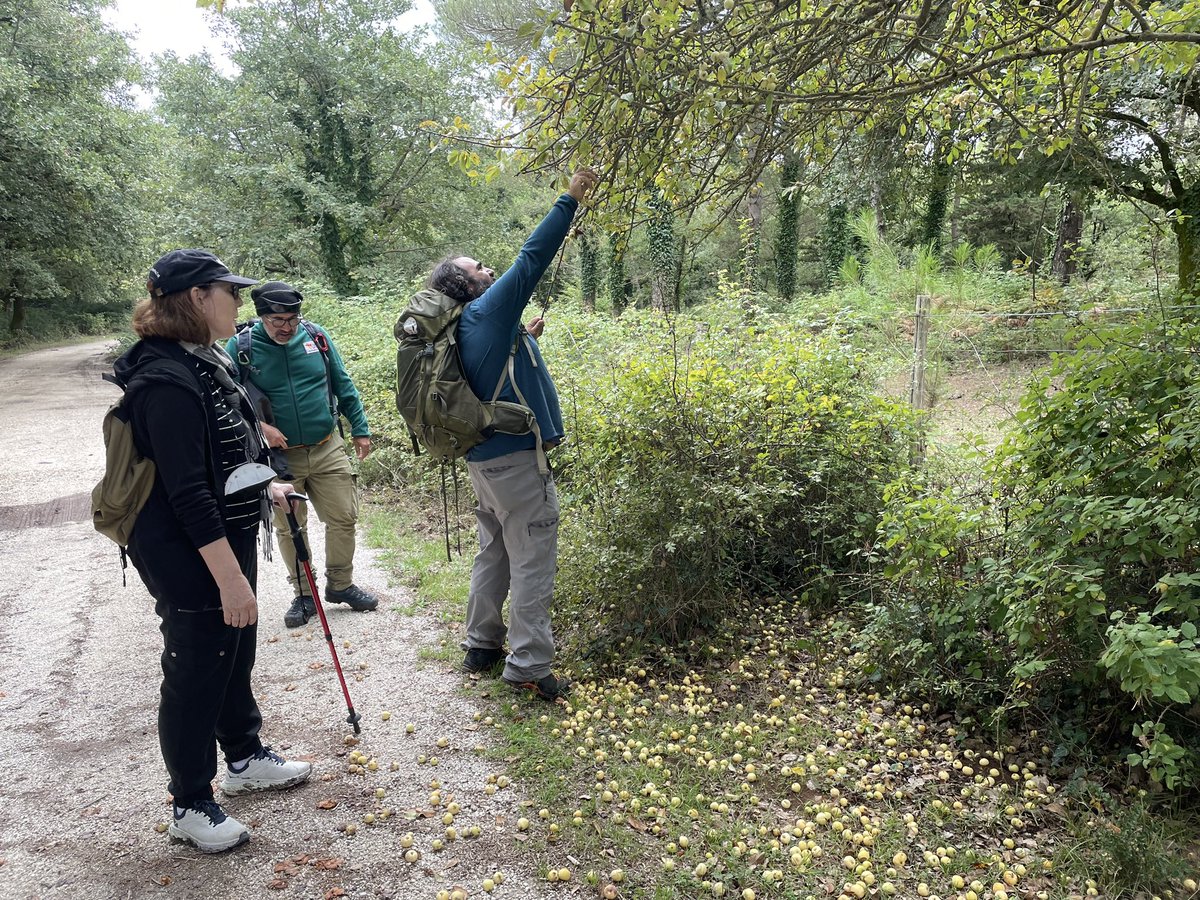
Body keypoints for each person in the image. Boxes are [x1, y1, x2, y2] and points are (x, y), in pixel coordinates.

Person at [115, 248, 312, 853]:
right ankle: (191, 802)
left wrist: (266, 480)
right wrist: (229, 579)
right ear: (198, 298)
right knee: (198, 662)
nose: (238, 300)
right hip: (187, 548)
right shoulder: (166, 379)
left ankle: (245, 755)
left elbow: (226, 450)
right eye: (229, 290)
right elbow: (187, 494)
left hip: (225, 532)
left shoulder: (203, 359)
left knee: (235, 646)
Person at [427, 168, 598, 701]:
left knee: (495, 550)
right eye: (476, 267)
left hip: (482, 461)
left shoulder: (467, 326)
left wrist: (521, 336)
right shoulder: (487, 311)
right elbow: (532, 257)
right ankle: (528, 663)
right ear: (467, 285)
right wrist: (569, 200)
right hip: (518, 464)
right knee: (532, 559)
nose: (486, 268)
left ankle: (482, 644)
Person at [226, 282, 379, 629]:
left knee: (343, 517)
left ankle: (340, 585)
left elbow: (342, 382)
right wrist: (262, 429)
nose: (286, 327)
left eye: (292, 319)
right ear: (261, 316)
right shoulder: (242, 345)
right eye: (277, 319)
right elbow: (229, 399)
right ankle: (304, 594)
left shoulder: (316, 337)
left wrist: (361, 428)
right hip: (280, 458)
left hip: (326, 445)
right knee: (291, 527)